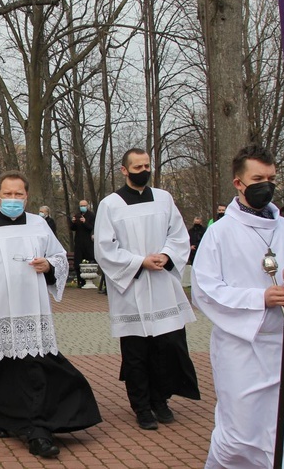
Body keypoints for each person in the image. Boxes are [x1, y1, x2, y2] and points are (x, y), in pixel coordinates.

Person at [190, 144, 284, 468]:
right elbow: (206, 291)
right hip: (241, 350)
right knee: (240, 436)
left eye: (271, 178)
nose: (266, 184)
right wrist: (261, 298)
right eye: (258, 178)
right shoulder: (219, 234)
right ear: (239, 183)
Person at [0, 170, 101, 458]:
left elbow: (58, 257)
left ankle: (36, 430)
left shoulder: (38, 225)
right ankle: (3, 419)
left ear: (27, 196)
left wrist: (48, 265)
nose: (12, 199)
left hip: (31, 311)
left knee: (33, 369)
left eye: (18, 194)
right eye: (7, 194)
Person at [94, 148, 200, 430]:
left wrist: (165, 256)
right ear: (124, 170)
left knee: (165, 348)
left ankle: (160, 400)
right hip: (132, 287)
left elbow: (178, 235)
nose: (144, 170)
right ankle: (141, 406)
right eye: (137, 167)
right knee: (136, 352)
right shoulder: (110, 204)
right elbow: (104, 248)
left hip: (163, 284)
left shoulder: (164, 198)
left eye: (146, 165)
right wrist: (140, 261)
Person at [70, 198, 95, 287]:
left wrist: (85, 222)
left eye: (84, 206)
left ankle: (89, 280)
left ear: (87, 206)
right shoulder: (77, 215)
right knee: (78, 262)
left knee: (89, 260)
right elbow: (73, 228)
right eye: (81, 206)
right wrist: (73, 222)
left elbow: (91, 228)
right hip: (78, 242)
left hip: (88, 242)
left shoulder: (91, 215)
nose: (82, 207)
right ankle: (80, 282)